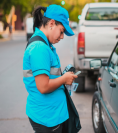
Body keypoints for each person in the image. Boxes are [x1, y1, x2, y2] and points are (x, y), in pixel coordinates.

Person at [23, 5, 78, 133]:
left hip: (52, 114)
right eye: (62, 31)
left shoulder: (45, 45)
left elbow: (49, 75)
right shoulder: (39, 48)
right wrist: (64, 79)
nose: (62, 36)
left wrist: (62, 77)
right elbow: (43, 86)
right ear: (52, 23)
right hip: (47, 117)